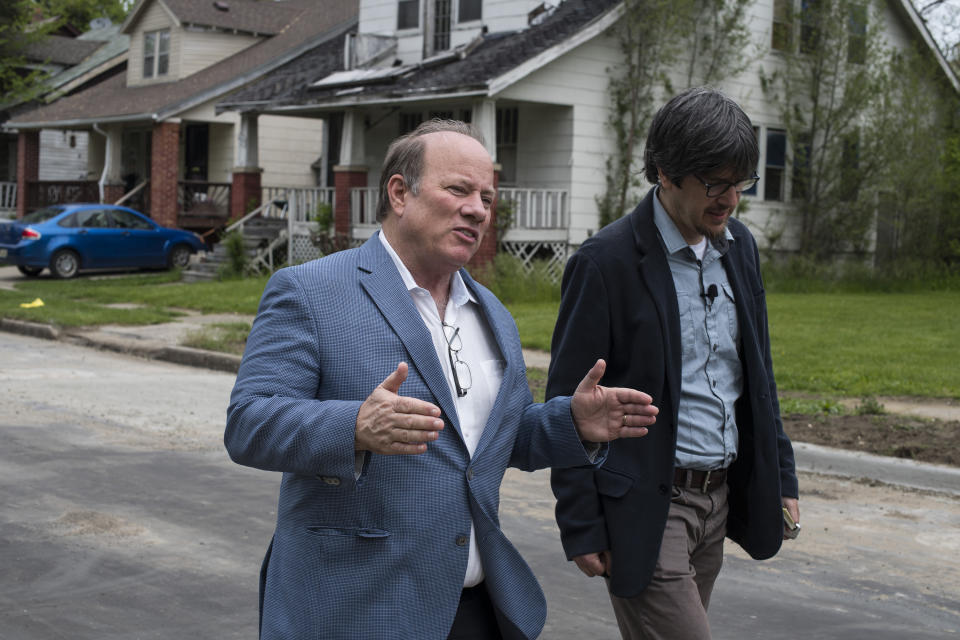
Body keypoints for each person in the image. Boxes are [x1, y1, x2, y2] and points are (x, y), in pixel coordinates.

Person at [224, 119, 659, 640]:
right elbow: (249, 422)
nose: (477, 208)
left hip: (474, 604)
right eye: (458, 189)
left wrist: (570, 422)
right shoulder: (310, 291)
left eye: (487, 198)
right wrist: (354, 426)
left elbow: (491, 442)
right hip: (355, 606)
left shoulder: (492, 313)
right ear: (400, 192)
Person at [546, 87, 801, 640]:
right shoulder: (605, 263)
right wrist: (581, 523)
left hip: (720, 498)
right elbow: (567, 403)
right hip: (647, 506)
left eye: (740, 183)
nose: (730, 199)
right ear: (664, 171)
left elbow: (758, 376)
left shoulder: (740, 248)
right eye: (715, 182)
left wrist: (780, 475)